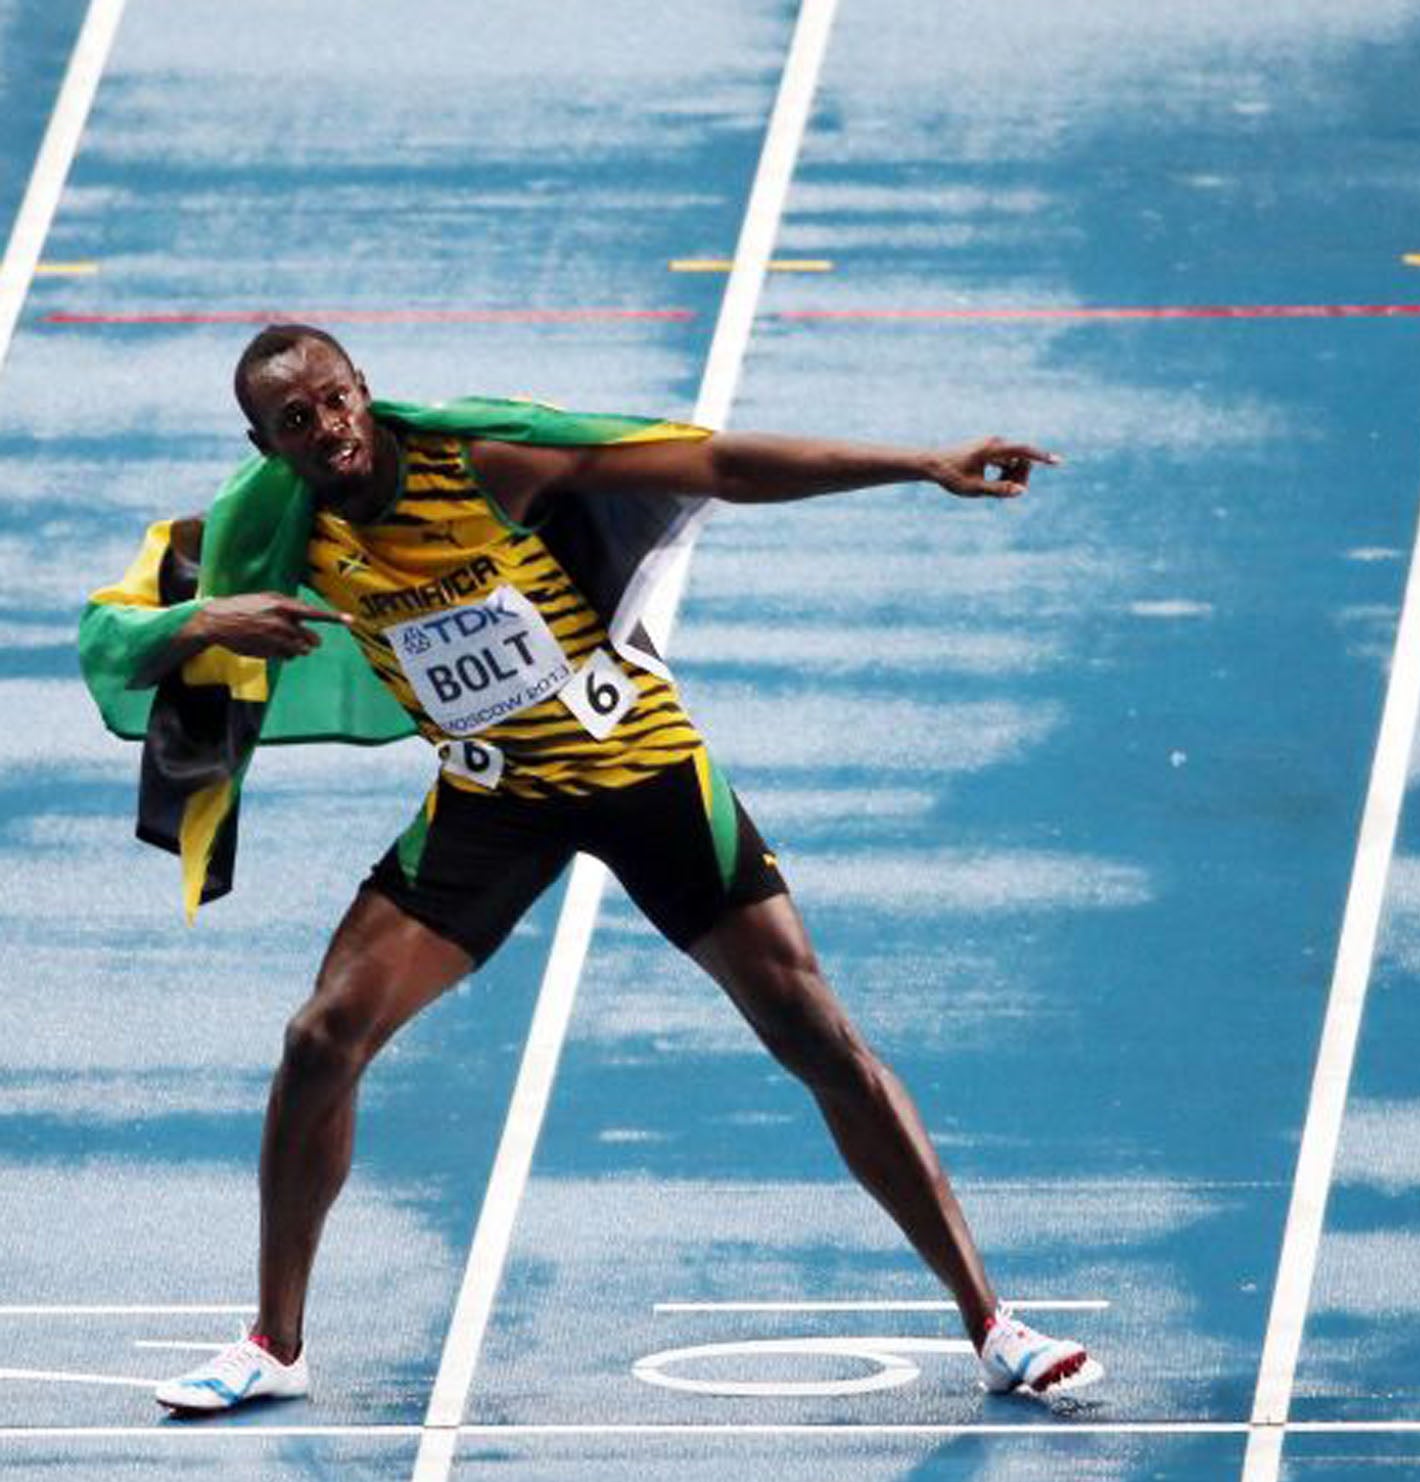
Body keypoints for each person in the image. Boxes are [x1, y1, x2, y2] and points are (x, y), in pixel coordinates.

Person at [112, 324, 1099, 1410]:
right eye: (296, 421)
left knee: (814, 1034)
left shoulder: (485, 465)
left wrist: (918, 464)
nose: (329, 429)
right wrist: (210, 615)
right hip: (493, 797)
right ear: (265, 442)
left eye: (337, 401)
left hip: (638, 768)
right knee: (319, 1038)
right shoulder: (268, 524)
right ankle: (275, 1346)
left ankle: (992, 1322)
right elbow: (116, 633)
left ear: (364, 392)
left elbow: (716, 463)